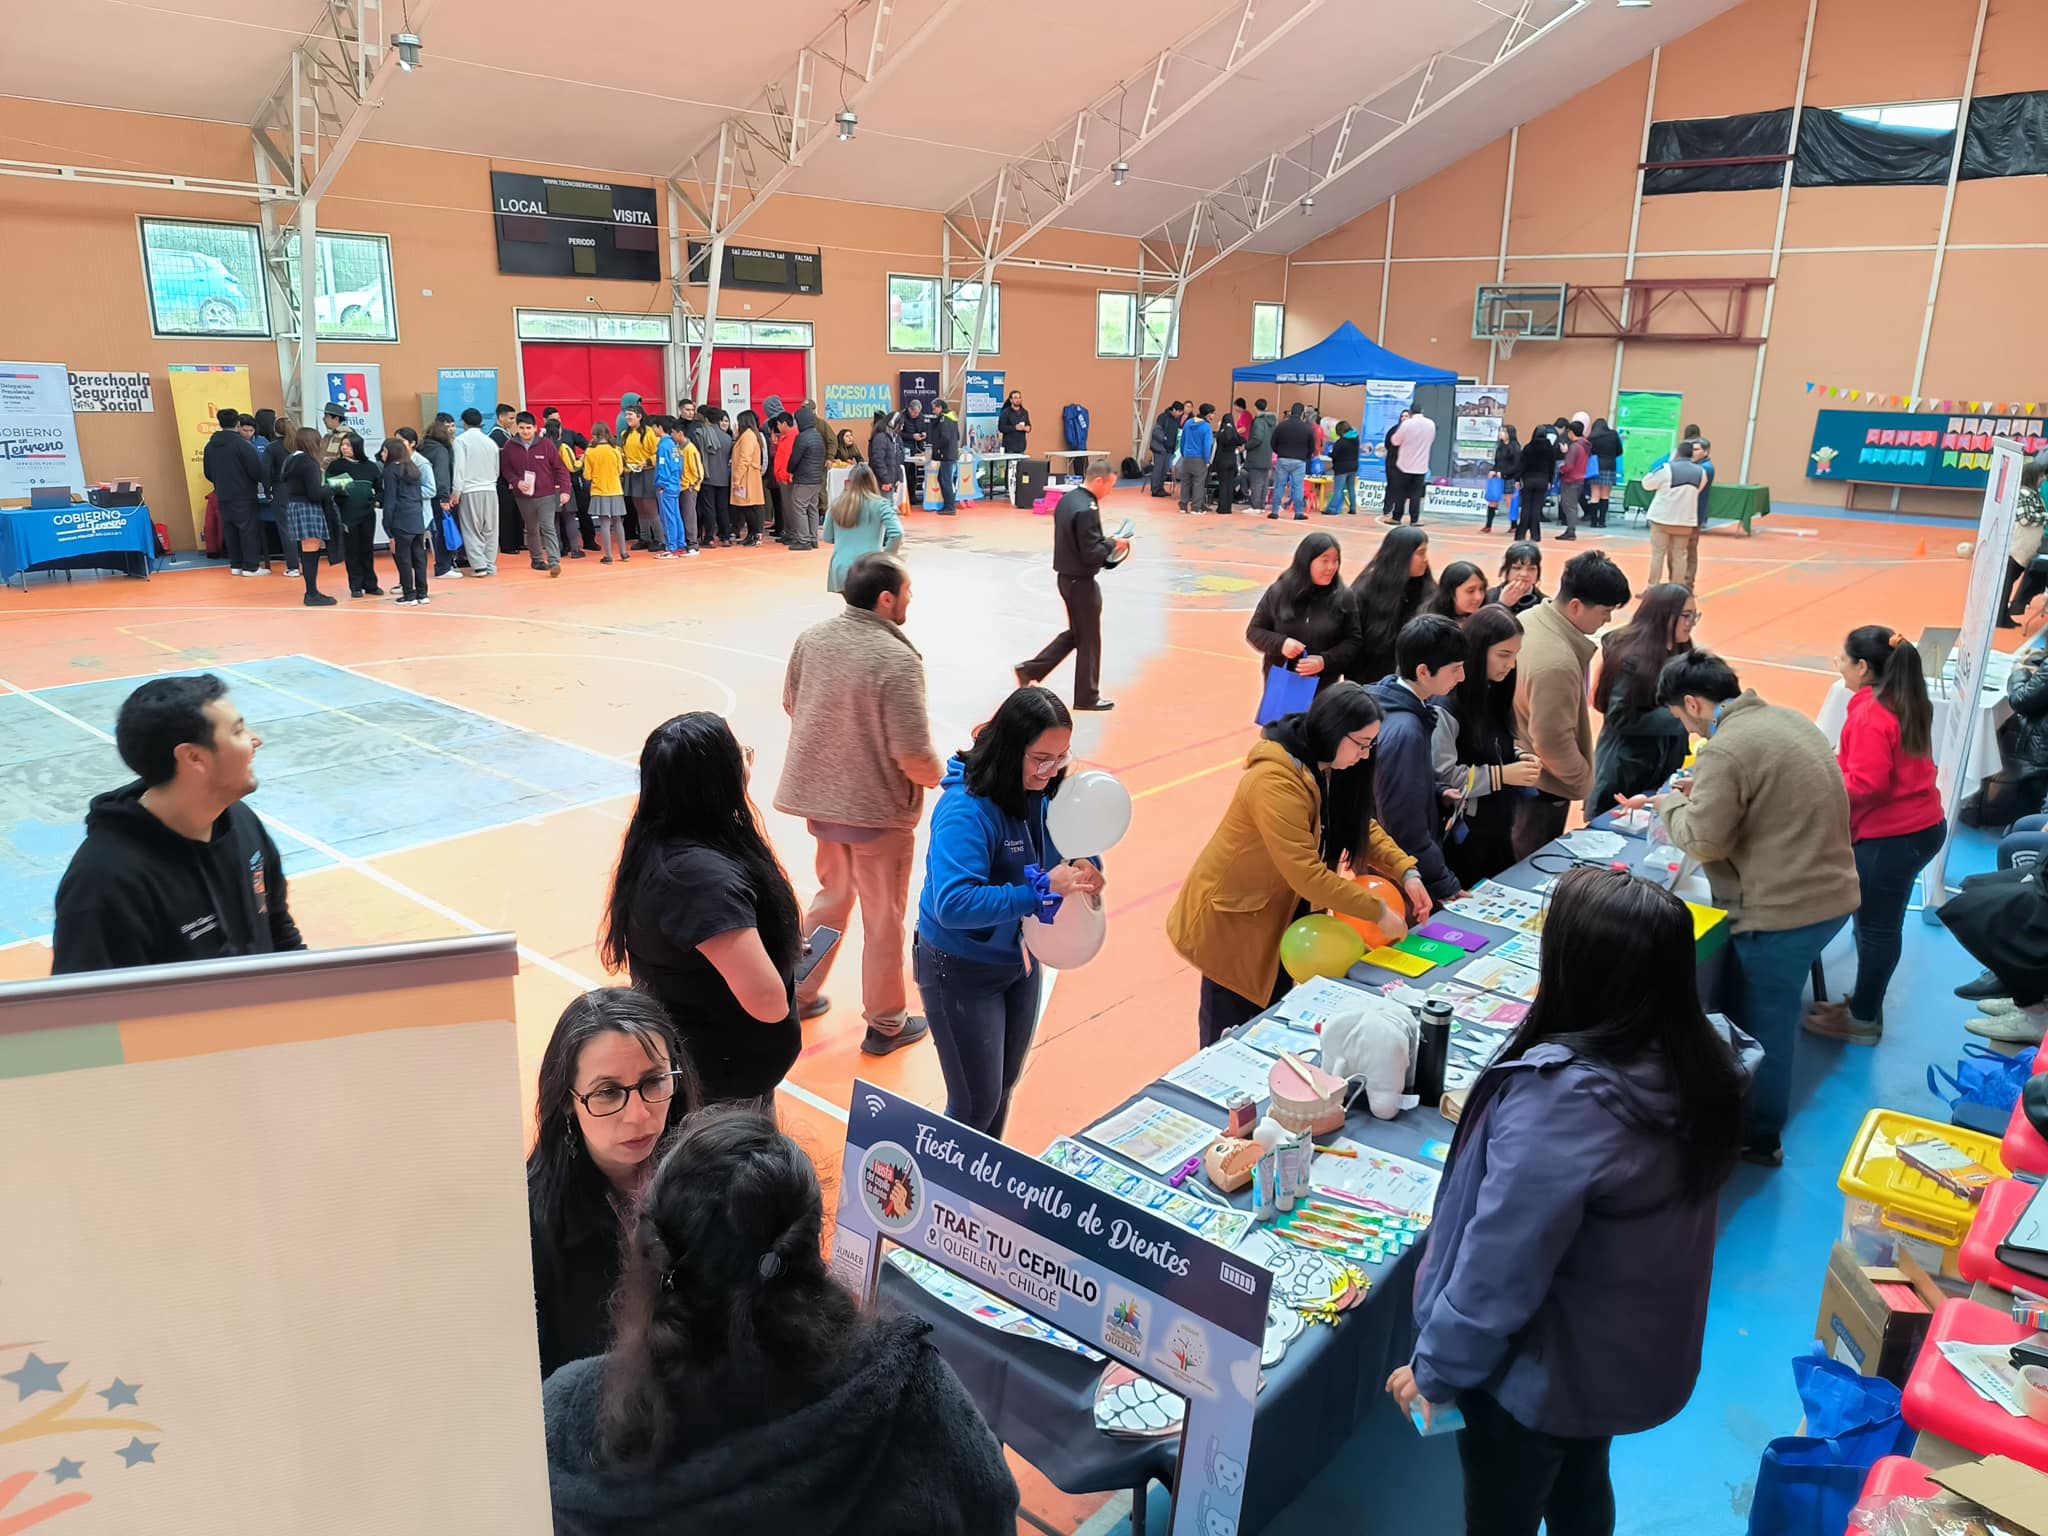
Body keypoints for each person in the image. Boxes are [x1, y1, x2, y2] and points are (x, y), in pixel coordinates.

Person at [1388, 867, 1746, 1536]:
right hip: (1615, 1356)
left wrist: (1436, 1369)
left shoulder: (1564, 1105)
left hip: (1538, 1375)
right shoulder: (1697, 1064)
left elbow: (1499, 1267)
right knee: (1584, 1476)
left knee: (1504, 1508)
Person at [542, 1107, 1020, 1536]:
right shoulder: (913, 1396)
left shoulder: (565, 1425)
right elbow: (992, 1508)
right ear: (811, 1244)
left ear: (648, 1251)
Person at [1652, 652, 1859, 1166]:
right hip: (1833, 894)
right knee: (1767, 1010)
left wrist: (1671, 804)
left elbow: (1705, 840)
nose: (1688, 729)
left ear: (1695, 703)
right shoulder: (1787, 718)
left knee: (1761, 1024)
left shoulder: (1726, 749)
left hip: (1784, 911)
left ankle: (1759, 1136)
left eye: (1682, 717)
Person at [1168, 682, 1418, 1044]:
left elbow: (1357, 825)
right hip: (1235, 927)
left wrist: (1405, 870)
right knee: (1230, 1035)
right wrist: (1377, 911)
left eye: (1371, 745)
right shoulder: (1273, 781)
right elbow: (1307, 875)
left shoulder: (1328, 765)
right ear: (1334, 732)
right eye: (1362, 744)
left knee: (1273, 1028)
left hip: (1281, 919)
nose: (1366, 755)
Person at [915, 688, 1105, 1135]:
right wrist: (1034, 894)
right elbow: (953, 905)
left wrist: (1089, 867)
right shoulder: (964, 810)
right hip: (961, 966)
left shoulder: (1044, 790)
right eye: (1040, 758)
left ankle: (981, 1193)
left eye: (1059, 758)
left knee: (1002, 1090)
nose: (1050, 770)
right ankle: (943, 1196)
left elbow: (1068, 844)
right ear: (1008, 748)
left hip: (1019, 960)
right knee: (974, 1105)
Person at [776, 553, 943, 1056]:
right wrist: (944, 779)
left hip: (822, 805)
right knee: (883, 916)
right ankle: (887, 1022)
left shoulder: (812, 639)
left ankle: (798, 992)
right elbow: (912, 750)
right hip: (876, 814)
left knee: (832, 898)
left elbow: (792, 702)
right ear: (885, 599)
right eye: (907, 592)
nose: (911, 599)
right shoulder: (896, 658)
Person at [600, 713, 804, 1105]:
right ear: (716, 782)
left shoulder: (663, 843)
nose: (747, 762)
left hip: (710, 1072)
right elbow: (767, 1003)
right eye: (740, 755)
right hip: (721, 1088)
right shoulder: (699, 882)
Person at [52, 674, 304, 973]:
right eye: (237, 732)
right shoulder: (104, 884)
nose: (255, 740)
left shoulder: (241, 821)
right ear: (194, 757)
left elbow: (277, 927)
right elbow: (89, 1015)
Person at [527, 989, 699, 1380]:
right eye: (607, 1092)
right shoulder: (533, 1228)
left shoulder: (708, 1174)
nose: (638, 1116)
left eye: (654, 1082)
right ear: (568, 1101)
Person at [1800, 627, 1945, 1046]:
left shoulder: (1869, 714)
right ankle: (1864, 1003)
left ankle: (1864, 1020)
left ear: (1863, 668)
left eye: (1843, 659)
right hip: (1920, 826)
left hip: (1893, 837)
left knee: (1877, 928)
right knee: (1875, 922)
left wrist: (1824, 782)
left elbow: (1867, 785)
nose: (1838, 665)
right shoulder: (1904, 700)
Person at [1512, 550, 1632, 856]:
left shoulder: (1529, 619)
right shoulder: (1557, 663)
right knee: (1528, 865)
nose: (1607, 619)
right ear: (1576, 606)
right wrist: (1582, 781)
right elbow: (1552, 740)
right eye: (1605, 611)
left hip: (1520, 776)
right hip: (1541, 790)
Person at [1370, 615, 1470, 910]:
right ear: (1424, 671)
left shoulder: (1388, 698)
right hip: (1401, 872)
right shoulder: (1407, 731)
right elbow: (1404, 828)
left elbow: (1392, 782)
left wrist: (1436, 790)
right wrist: (1444, 884)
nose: (1462, 677)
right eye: (1455, 669)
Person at [1014, 457, 1128, 712]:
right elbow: (1090, 552)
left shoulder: (1069, 500)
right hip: (1081, 581)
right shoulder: (1087, 507)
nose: (1109, 492)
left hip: (1066, 577)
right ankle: (1087, 696)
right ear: (1099, 481)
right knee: (1089, 640)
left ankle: (1031, 669)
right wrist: (1112, 544)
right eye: (1109, 486)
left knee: (1078, 633)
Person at [1442, 605, 1542, 888]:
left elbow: (1497, 743)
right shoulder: (1449, 705)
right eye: (1503, 655)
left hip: (1498, 828)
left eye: (1515, 655)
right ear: (1476, 650)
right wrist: (1504, 775)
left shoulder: (1494, 691)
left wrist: (1519, 757)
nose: (1510, 664)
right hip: (1464, 841)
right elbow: (1445, 777)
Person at [1587, 583, 1697, 817]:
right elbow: (1621, 716)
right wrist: (1683, 718)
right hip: (1626, 771)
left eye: (1694, 616)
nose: (1691, 622)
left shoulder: (1682, 653)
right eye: (1686, 615)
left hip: (1663, 766)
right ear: (1663, 615)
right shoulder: (1630, 659)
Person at [1246, 532, 1356, 709]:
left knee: (1315, 732)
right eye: (1324, 560)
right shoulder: (1279, 592)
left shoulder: (1344, 596)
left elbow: (1353, 641)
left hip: (1323, 688)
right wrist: (1281, 644)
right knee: (1280, 733)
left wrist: (1324, 661)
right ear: (1307, 561)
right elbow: (1254, 632)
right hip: (1283, 684)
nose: (1331, 567)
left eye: (1335, 561)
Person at [1348, 525, 1435, 684]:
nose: (1425, 560)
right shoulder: (1365, 591)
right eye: (1421, 553)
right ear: (1402, 556)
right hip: (1369, 682)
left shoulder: (1427, 590)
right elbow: (1352, 643)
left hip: (1412, 681)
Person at [275, 426, 340, 606]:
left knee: (307, 549)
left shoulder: (290, 460)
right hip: (308, 507)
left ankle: (312, 591)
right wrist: (333, 488)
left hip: (295, 506)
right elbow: (314, 493)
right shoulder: (309, 463)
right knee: (311, 551)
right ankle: (311, 593)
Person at [501, 411, 571, 575]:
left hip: (546, 494)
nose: (525, 431)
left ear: (535, 428)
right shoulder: (510, 446)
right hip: (523, 496)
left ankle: (554, 562)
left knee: (548, 527)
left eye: (529, 428)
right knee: (532, 528)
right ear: (517, 428)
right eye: (522, 428)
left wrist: (565, 490)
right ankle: (537, 559)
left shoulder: (546, 445)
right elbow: (506, 469)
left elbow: (560, 468)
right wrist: (516, 482)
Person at [203, 407, 268, 577]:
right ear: (238, 424)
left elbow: (208, 472)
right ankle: (251, 566)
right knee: (248, 530)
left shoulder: (210, 445)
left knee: (230, 530)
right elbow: (256, 470)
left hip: (222, 494)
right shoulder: (243, 445)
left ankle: (236, 564)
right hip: (244, 494)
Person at [822, 466, 904, 593]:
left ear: (849, 482)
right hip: (870, 567)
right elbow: (897, 533)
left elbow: (827, 537)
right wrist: (886, 556)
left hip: (841, 566)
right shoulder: (882, 505)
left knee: (853, 609)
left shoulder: (836, 504)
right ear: (873, 481)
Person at [325, 431, 381, 598]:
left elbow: (380, 489)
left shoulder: (370, 467)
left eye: (348, 445)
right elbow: (329, 486)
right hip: (347, 514)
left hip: (367, 514)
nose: (344, 448)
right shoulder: (336, 466)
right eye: (343, 445)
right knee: (352, 551)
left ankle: (371, 584)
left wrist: (377, 501)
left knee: (367, 549)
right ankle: (355, 585)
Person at [377, 434, 431, 606]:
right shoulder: (413, 468)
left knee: (404, 558)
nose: (382, 455)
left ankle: (409, 594)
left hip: (401, 519)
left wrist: (387, 524)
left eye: (384, 451)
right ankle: (422, 593)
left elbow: (390, 498)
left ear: (392, 453)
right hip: (416, 518)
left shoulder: (391, 470)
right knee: (419, 557)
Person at [451, 407, 502, 577]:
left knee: (471, 528)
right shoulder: (490, 442)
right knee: (491, 529)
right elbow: (496, 469)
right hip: (490, 489)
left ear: (463, 423)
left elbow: (459, 468)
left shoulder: (460, 441)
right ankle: (490, 564)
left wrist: (456, 492)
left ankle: (479, 565)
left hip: (470, 490)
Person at [2003, 462, 2047, 627]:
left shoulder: (2033, 493)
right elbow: (2025, 518)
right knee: (2007, 583)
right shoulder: (2023, 492)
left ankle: (2004, 615)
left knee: (2010, 582)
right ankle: (2000, 617)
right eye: (2041, 475)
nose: (2043, 479)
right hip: (2016, 547)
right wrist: (2046, 516)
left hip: (2025, 547)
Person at [619, 406, 666, 554]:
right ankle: (644, 538)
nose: (628, 417)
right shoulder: (625, 434)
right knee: (639, 506)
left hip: (647, 472)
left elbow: (657, 453)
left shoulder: (649, 433)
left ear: (639, 416)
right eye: (627, 415)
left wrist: (646, 462)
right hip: (632, 473)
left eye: (630, 414)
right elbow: (623, 451)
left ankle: (660, 539)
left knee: (650, 507)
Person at [419, 416, 461, 579]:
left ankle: (442, 565)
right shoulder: (441, 450)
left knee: (431, 532)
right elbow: (442, 475)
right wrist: (445, 497)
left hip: (423, 496)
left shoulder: (422, 448)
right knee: (444, 530)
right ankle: (443, 566)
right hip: (438, 496)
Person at [583, 424, 631, 564]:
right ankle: (624, 553)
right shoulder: (616, 450)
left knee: (604, 522)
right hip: (615, 489)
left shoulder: (590, 452)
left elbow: (587, 475)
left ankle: (608, 556)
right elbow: (620, 470)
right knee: (618, 521)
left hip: (599, 490)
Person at [1386, 407, 1437, 525]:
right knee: (1416, 494)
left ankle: (1396, 517)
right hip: (1421, 466)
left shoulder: (1407, 424)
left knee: (1401, 492)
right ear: (1422, 412)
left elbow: (1395, 441)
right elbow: (1432, 439)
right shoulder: (1430, 424)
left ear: (1411, 413)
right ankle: (1415, 519)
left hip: (1405, 465)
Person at [784, 407, 826, 547]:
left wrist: (790, 470)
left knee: (799, 508)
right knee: (812, 508)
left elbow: (795, 459)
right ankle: (813, 539)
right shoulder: (818, 436)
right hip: (816, 479)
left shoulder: (802, 438)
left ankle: (804, 540)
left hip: (804, 479)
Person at [1270, 404, 1315, 520]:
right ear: (1302, 414)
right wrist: (1306, 456)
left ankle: (1275, 511)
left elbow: (1273, 442)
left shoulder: (1282, 426)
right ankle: (1299, 512)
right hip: (1300, 460)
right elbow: (1312, 446)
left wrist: (1280, 452)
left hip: (1283, 458)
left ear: (1291, 412)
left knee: (1279, 485)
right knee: (1298, 487)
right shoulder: (1307, 428)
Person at [698, 407, 735, 547]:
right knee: (722, 508)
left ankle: (709, 537)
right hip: (723, 477)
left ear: (706, 419)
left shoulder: (701, 434)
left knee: (709, 508)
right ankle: (725, 536)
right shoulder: (727, 437)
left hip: (708, 477)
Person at [1514, 421, 1558, 540]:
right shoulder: (1550, 449)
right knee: (1536, 508)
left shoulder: (1528, 447)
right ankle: (1535, 535)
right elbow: (1552, 466)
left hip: (1528, 480)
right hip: (1542, 480)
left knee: (1526, 507)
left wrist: (1518, 479)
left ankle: (1520, 534)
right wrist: (1550, 480)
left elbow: (1521, 465)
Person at [1176, 403, 1216, 515]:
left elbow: (1182, 440)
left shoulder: (1188, 423)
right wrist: (1207, 460)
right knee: (1198, 483)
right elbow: (1207, 445)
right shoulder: (1206, 427)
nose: (1214, 415)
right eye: (1213, 413)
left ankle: (1183, 506)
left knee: (1185, 482)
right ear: (1208, 414)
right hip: (1199, 458)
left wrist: (1184, 454)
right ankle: (1195, 508)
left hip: (1187, 457)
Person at [1586, 416, 1624, 529]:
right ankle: (1602, 522)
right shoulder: (1613, 435)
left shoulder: (1591, 437)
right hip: (1609, 467)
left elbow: (1588, 452)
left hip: (1595, 467)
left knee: (1594, 495)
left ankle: (1593, 522)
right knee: (1605, 496)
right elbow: (1619, 451)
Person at [1488, 541, 1545, 614]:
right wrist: (1502, 605)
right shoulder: (1487, 598)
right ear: (1505, 570)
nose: (1524, 574)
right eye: (1517, 568)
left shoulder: (1544, 604)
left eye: (1531, 568)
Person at [1486, 426, 1522, 533]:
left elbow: (1516, 465)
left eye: (1504, 431)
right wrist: (1493, 470)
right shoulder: (1500, 447)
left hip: (1510, 477)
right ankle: (1488, 525)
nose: (1501, 433)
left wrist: (1504, 473)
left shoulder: (1515, 447)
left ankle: (1514, 526)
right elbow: (1497, 462)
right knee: (1493, 501)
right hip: (1498, 478)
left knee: (1510, 502)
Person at [1244, 398, 1277, 513]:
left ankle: (1255, 506)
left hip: (1256, 456)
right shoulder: (1272, 423)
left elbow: (1257, 438)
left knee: (1256, 482)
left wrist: (1246, 446)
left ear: (1255, 408)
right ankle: (1261, 505)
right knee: (1264, 482)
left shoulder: (1259, 422)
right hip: (1267, 455)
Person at [1211, 405, 1244, 517]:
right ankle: (1228, 508)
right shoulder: (1235, 434)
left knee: (1223, 485)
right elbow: (1242, 440)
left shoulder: (1220, 434)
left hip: (1222, 462)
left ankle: (1222, 508)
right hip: (1232, 461)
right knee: (1230, 485)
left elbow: (1217, 447)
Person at [931, 400, 962, 516]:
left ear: (940, 407)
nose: (934, 412)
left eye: (934, 409)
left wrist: (936, 446)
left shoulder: (944, 420)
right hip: (952, 453)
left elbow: (944, 437)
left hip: (946, 455)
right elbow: (957, 436)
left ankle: (950, 506)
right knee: (942, 479)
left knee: (946, 481)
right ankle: (948, 504)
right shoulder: (953, 418)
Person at [900, 397, 932, 505]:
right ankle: (905, 497)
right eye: (914, 412)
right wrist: (912, 436)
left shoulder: (920, 417)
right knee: (906, 473)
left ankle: (913, 496)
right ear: (909, 409)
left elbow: (924, 428)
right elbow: (899, 434)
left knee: (913, 474)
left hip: (916, 448)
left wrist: (924, 434)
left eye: (918, 412)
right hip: (904, 447)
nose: (916, 414)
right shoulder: (902, 416)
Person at [868, 409, 904, 506]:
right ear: (893, 423)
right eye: (900, 425)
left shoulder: (893, 438)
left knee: (889, 506)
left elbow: (896, 460)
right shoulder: (881, 437)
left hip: (889, 480)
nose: (901, 428)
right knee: (884, 508)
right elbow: (878, 461)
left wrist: (898, 477)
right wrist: (885, 480)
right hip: (882, 482)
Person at [1148, 402, 1184, 498]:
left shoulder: (1177, 419)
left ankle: (1161, 488)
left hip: (1169, 448)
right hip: (1160, 448)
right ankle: (1155, 489)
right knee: (1158, 469)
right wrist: (1164, 438)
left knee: (1164, 470)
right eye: (1179, 412)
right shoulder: (1163, 417)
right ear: (1174, 410)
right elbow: (1157, 431)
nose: (1180, 414)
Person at [1327, 420, 1361, 517]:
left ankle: (1332, 509)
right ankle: (1353, 508)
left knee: (1338, 489)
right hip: (1353, 467)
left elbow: (1334, 455)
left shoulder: (1340, 442)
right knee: (1351, 489)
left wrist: (1329, 453)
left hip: (1342, 468)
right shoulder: (1356, 438)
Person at [998, 390, 1031, 455]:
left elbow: (1028, 425)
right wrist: (1014, 427)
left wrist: (1028, 428)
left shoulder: (1024, 412)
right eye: (1015, 398)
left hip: (1021, 447)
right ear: (1011, 400)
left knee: (1021, 465)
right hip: (1010, 447)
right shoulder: (1006, 412)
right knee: (1012, 465)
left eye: (1019, 398)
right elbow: (1001, 428)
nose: (1018, 400)